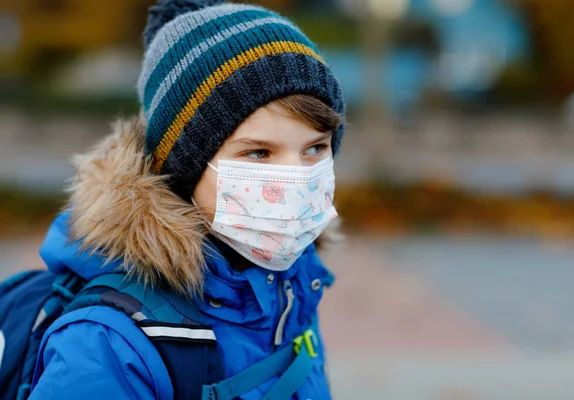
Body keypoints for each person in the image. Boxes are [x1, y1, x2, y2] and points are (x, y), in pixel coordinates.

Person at [28, 0, 345, 398]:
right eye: (258, 153)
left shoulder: (291, 285)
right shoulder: (108, 344)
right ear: (185, 164)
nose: (297, 178)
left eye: (315, 148)